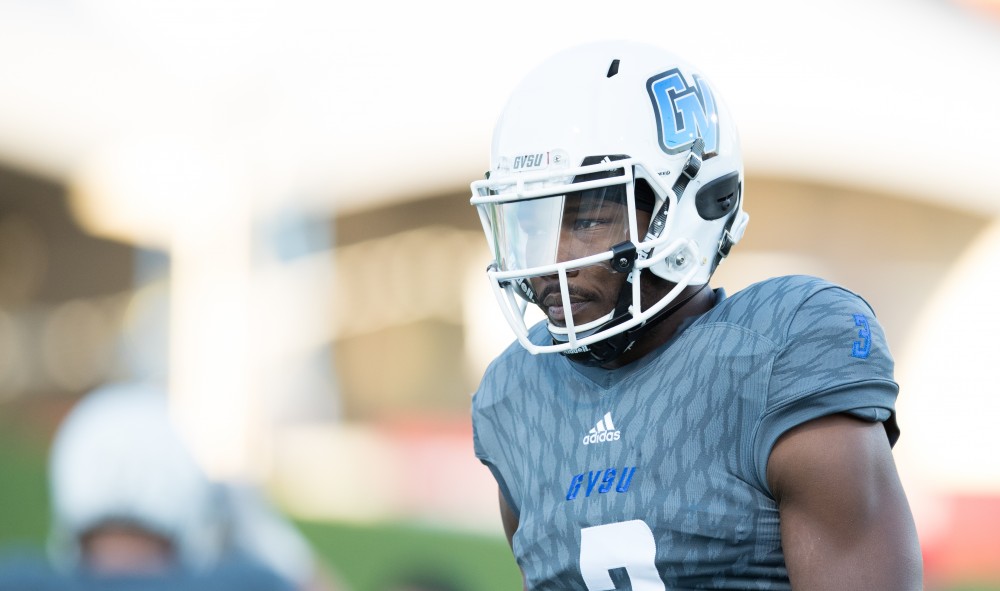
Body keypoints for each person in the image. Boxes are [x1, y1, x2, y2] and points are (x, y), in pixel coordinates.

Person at [468, 40, 922, 590]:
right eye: (532, 226)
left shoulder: (776, 355)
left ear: (690, 208)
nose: (550, 263)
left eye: (588, 220)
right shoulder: (517, 396)